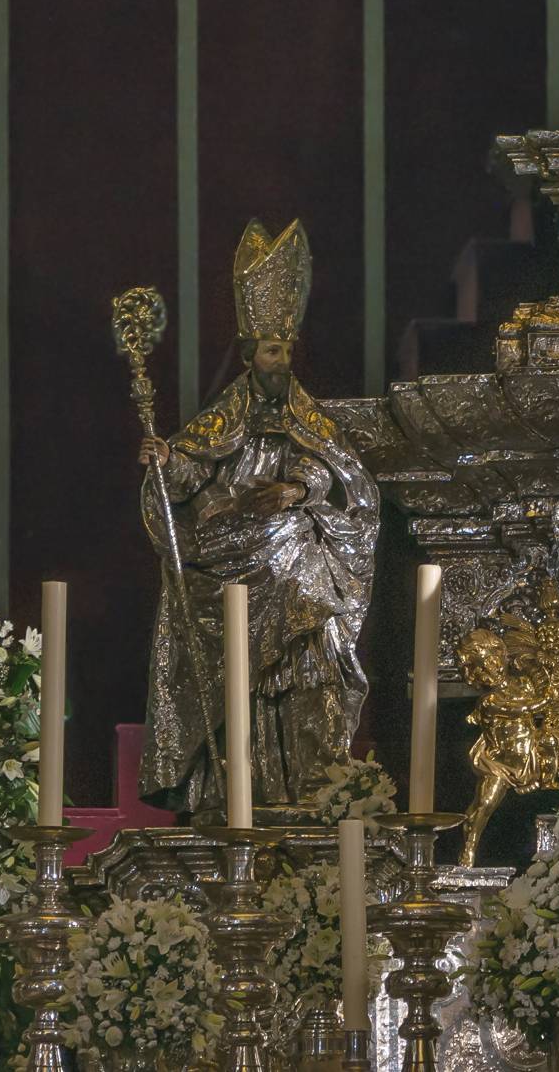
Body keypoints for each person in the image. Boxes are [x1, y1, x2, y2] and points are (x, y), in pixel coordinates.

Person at [136, 220, 378, 815]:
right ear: (249, 355)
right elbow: (192, 473)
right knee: (241, 666)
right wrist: (165, 458)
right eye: (273, 350)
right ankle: (233, 787)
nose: (283, 361)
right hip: (230, 556)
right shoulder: (225, 417)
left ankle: (311, 782)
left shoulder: (306, 417)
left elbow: (339, 474)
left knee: (313, 633)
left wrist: (297, 488)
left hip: (292, 552)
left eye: (288, 349)